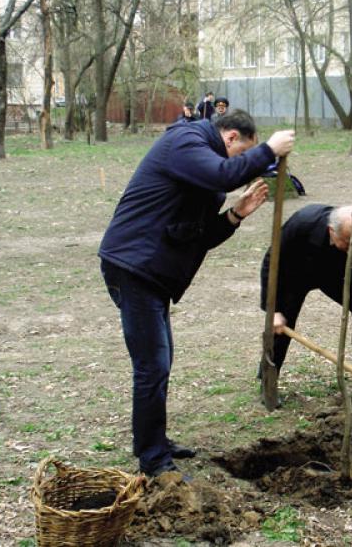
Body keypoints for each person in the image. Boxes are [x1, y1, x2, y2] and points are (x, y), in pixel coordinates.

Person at [99, 109, 295, 477]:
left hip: (151, 273)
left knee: (159, 362)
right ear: (231, 138)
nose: (239, 166)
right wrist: (269, 149)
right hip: (133, 266)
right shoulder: (184, 141)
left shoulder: (201, 168)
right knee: (152, 365)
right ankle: (154, 461)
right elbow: (224, 172)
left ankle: (152, 442)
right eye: (241, 155)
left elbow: (199, 235)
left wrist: (236, 214)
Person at [259, 204, 352, 399]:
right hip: (297, 272)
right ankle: (268, 381)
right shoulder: (303, 223)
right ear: (332, 231)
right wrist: (273, 309)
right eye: (349, 243)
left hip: (337, 276)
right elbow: (271, 261)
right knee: (281, 323)